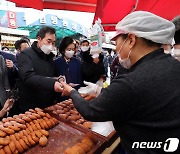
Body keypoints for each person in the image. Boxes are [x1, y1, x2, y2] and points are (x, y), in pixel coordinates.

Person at [60, 11, 180, 154]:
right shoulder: (174, 65)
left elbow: (90, 111)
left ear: (131, 40)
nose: (116, 49)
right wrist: (100, 91)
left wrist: (72, 92)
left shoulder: (131, 81)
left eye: (116, 42)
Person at [17, 26, 62, 113]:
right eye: (48, 41)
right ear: (39, 39)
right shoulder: (25, 54)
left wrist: (58, 80)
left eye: (53, 43)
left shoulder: (49, 56)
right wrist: (52, 83)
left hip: (47, 104)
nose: (51, 45)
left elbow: (49, 76)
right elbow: (27, 76)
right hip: (30, 106)